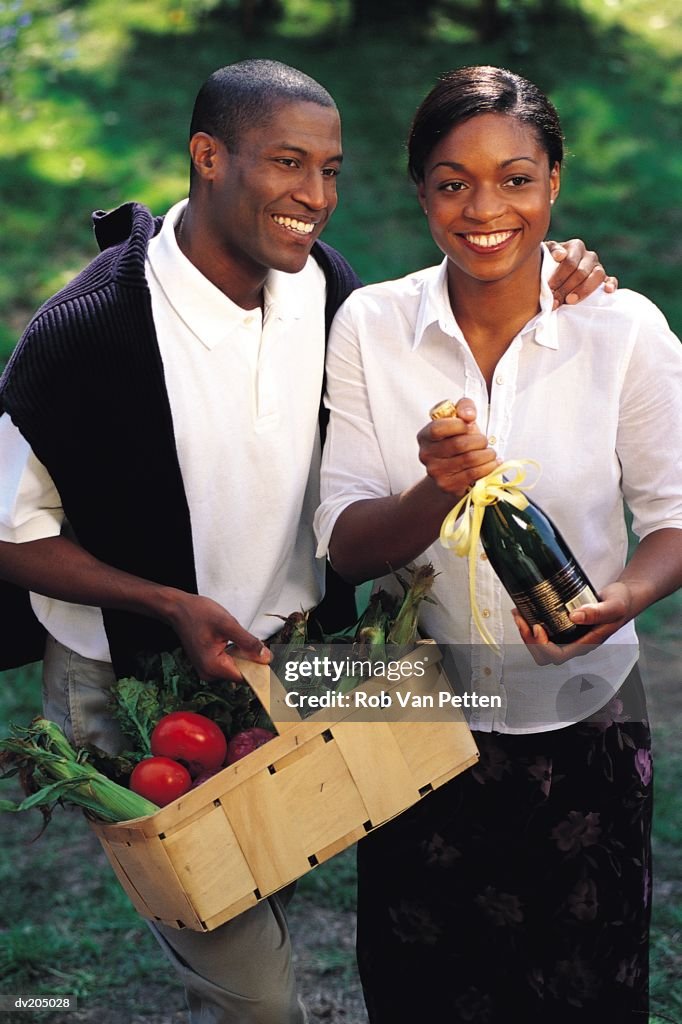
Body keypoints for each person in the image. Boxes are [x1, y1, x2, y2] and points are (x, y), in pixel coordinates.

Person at [0, 58, 615, 1024]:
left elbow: (443, 313)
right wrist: (168, 604)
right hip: (132, 675)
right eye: (288, 164)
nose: (316, 197)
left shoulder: (323, 291)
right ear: (208, 157)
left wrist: (561, 266)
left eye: (331, 170)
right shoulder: (90, 331)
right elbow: (10, 539)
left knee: (299, 867)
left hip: (292, 662)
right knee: (258, 996)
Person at [314, 65, 682, 1023]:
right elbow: (348, 549)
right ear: (421, 191)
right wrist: (436, 489)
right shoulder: (372, 327)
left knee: (585, 996)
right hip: (417, 717)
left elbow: (675, 516)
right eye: (452, 181)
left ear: (554, 182)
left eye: (516, 178)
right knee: (422, 995)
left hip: (586, 719)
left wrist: (625, 601)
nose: (485, 208)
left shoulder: (621, 330)